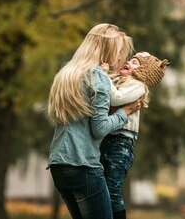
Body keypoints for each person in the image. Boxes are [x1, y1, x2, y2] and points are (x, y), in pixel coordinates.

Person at [47, 23, 143, 219]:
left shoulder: (67, 74)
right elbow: (99, 128)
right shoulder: (97, 75)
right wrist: (125, 112)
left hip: (58, 165)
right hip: (83, 165)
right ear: (107, 50)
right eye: (118, 52)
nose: (119, 58)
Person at [100, 51, 169, 219]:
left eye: (136, 63)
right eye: (130, 60)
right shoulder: (119, 81)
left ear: (143, 72)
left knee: (111, 190)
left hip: (121, 145)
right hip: (108, 140)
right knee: (101, 187)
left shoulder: (138, 86)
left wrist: (101, 75)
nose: (129, 62)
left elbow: (116, 98)